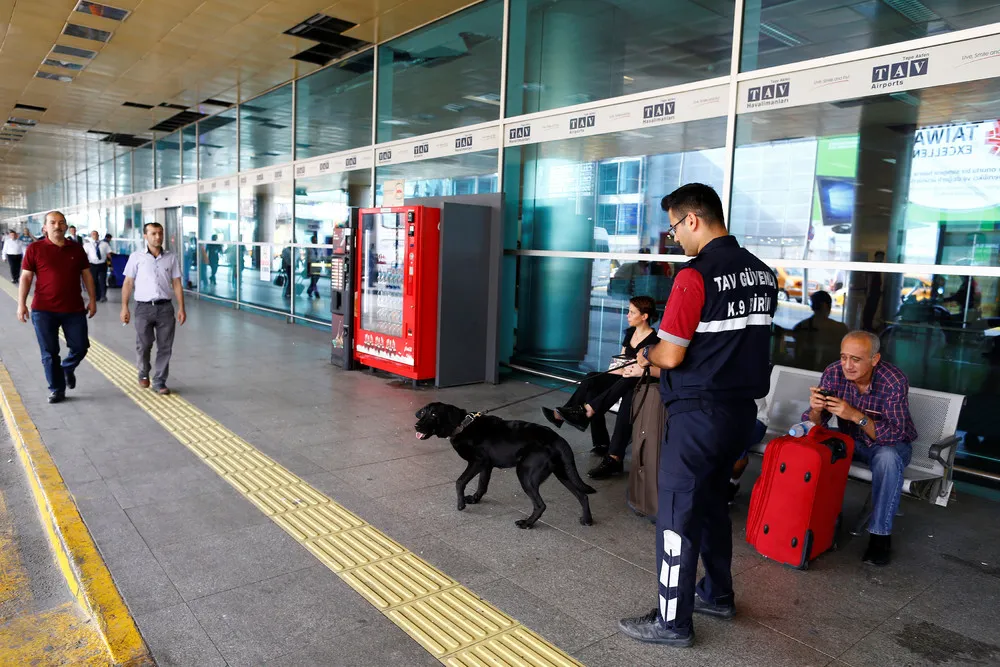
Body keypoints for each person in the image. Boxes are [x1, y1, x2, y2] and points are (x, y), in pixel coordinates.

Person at [620, 183, 777, 648]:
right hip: (739, 415)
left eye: (674, 227)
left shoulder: (694, 276)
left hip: (697, 415)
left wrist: (646, 357)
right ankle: (718, 593)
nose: (675, 238)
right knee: (709, 506)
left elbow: (670, 354)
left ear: (693, 219)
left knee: (675, 514)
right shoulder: (763, 273)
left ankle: (672, 623)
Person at [803, 330, 916, 566]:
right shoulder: (834, 372)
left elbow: (896, 434)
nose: (847, 365)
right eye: (844, 357)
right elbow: (815, 424)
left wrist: (855, 415)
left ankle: (880, 537)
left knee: (887, 458)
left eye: (856, 359)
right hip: (851, 442)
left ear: (874, 360)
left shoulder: (894, 380)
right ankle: (812, 523)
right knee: (813, 447)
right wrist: (815, 409)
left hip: (891, 446)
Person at [542, 296, 660, 467]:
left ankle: (596, 434)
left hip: (637, 380)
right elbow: (621, 360)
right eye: (628, 311)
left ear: (644, 316)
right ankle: (573, 415)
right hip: (623, 375)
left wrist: (625, 370)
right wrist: (610, 371)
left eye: (632, 312)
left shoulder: (654, 340)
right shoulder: (630, 333)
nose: (627, 315)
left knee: (617, 392)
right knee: (592, 379)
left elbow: (646, 368)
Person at [16, 211, 97, 404]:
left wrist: (92, 299)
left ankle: (67, 368)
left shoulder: (76, 249)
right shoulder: (35, 249)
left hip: (74, 309)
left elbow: (86, 275)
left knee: (80, 346)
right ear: (45, 227)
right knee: (49, 352)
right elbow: (26, 277)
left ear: (66, 226)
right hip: (43, 310)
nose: (57, 226)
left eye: (61, 222)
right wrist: (21, 304)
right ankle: (56, 389)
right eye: (52, 222)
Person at [120, 223, 187, 395]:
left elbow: (177, 283)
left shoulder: (171, 257)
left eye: (160, 233)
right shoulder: (136, 257)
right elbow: (128, 283)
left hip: (165, 308)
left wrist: (181, 308)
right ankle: (143, 372)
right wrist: (124, 307)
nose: (158, 237)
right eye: (153, 233)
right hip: (143, 308)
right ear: (145, 236)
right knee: (144, 344)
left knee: (165, 346)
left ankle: (159, 381)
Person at [793, 291, 848, 372]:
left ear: (813, 307)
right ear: (826, 306)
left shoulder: (800, 327)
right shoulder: (841, 329)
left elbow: (798, 356)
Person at [84, 230, 112, 303]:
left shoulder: (104, 244)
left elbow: (109, 255)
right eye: (93, 234)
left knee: (102, 280)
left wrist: (110, 265)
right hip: (92, 265)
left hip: (102, 264)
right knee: (94, 281)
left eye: (96, 234)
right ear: (91, 236)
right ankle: (97, 296)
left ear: (98, 235)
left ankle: (103, 295)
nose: (95, 236)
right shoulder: (87, 245)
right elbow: (85, 256)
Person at [862, 251, 886, 332]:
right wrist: (868, 292)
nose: (882, 259)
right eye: (880, 257)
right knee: (869, 309)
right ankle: (866, 326)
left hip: (875, 292)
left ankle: (868, 326)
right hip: (872, 292)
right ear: (876, 257)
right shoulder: (873, 266)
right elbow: (869, 279)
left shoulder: (878, 267)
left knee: (872, 309)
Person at [305, 234, 322, 299]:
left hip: (318, 265)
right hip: (312, 264)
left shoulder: (318, 247)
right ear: (311, 241)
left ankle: (309, 290)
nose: (315, 241)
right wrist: (308, 269)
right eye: (314, 240)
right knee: (314, 280)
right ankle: (316, 292)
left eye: (316, 240)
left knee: (316, 279)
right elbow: (307, 258)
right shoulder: (309, 248)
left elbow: (320, 255)